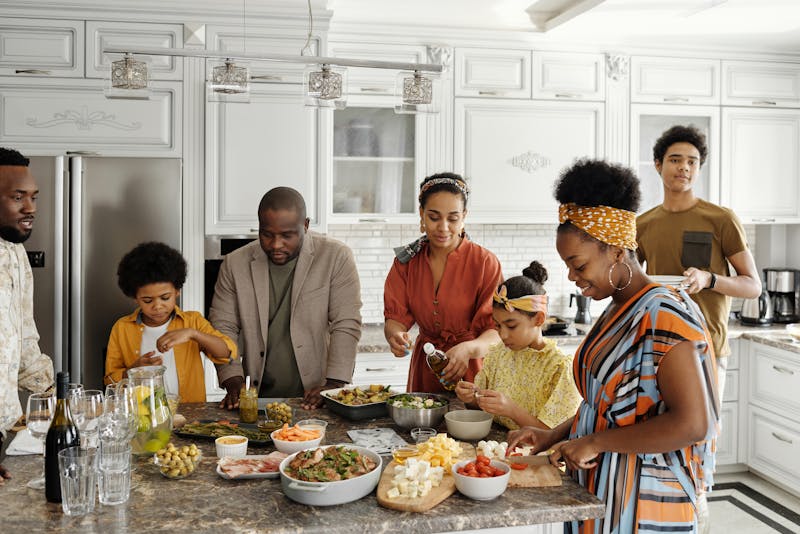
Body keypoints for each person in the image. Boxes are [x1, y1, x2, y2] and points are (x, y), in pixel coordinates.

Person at [508, 159, 720, 534]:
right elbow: (612, 408)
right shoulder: (618, 308)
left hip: (645, 500)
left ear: (618, 252)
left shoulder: (664, 314)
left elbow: (693, 423)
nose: (573, 278)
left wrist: (596, 442)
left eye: (578, 265)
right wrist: (553, 435)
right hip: (603, 488)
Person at [637, 124, 761, 400]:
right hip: (658, 346)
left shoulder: (721, 219)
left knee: (702, 438)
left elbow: (753, 286)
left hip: (705, 346)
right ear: (658, 165)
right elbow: (630, 283)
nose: (684, 167)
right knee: (657, 438)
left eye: (692, 161)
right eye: (675, 160)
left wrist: (709, 279)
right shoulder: (642, 225)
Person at [209, 186, 362, 410]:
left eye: (287, 235)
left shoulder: (335, 257)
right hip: (258, 397)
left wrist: (335, 384)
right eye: (267, 234)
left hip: (317, 396)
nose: (275, 245)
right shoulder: (235, 264)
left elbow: (346, 323)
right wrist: (233, 380)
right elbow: (223, 327)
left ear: (306, 226)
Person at [384, 172, 502, 392]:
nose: (443, 227)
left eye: (453, 218)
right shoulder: (405, 263)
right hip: (425, 368)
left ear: (464, 216)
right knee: (422, 426)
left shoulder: (485, 263)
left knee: (470, 425)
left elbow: (496, 332)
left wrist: (468, 349)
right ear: (421, 214)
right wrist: (396, 336)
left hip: (473, 370)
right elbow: (395, 318)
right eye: (434, 217)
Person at [104, 241, 237, 403]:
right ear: (135, 298)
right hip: (141, 416)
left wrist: (193, 334)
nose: (158, 306)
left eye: (165, 298)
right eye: (147, 300)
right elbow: (110, 381)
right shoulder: (122, 328)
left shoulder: (192, 321)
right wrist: (133, 371)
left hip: (189, 416)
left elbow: (227, 353)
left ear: (177, 291)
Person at [455, 261, 581, 430]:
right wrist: (471, 399)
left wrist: (511, 410)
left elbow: (553, 434)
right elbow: (482, 409)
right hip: (496, 448)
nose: (503, 335)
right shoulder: (498, 354)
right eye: (498, 326)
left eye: (512, 326)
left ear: (539, 319)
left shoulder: (560, 368)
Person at [0, 147, 55, 484]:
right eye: (16, 197)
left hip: (5, 430)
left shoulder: (16, 254)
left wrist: (59, 399)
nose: (30, 207)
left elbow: (23, 340)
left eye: (33, 196)